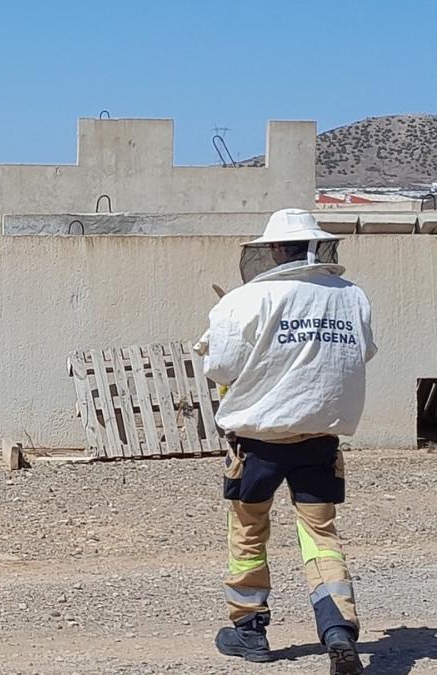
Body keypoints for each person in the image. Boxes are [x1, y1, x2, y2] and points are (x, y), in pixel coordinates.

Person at [197, 209, 375, 675]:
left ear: (273, 250)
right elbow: (363, 352)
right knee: (321, 536)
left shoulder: (244, 300)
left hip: (257, 443)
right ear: (317, 247)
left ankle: (249, 631)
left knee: (249, 532)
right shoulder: (352, 297)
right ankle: (337, 629)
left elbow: (220, 368)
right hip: (318, 440)